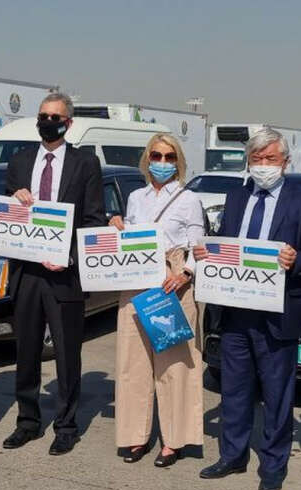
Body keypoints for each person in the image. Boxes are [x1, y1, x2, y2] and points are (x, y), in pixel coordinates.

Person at [194, 128, 301, 490]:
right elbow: (227, 244)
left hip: (279, 312)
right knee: (234, 390)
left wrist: (296, 259)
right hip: (237, 310)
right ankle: (232, 456)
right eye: (257, 159)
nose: (263, 165)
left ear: (285, 162)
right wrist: (207, 252)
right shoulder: (237, 196)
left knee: (277, 394)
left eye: (271, 159)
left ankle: (273, 464)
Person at [1, 93, 105, 456]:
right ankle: (27, 422)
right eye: (43, 115)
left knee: (66, 354)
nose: (48, 122)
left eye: (55, 117)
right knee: (27, 351)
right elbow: (5, 215)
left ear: (68, 123)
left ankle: (66, 426)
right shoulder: (19, 161)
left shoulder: (86, 163)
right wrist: (14, 199)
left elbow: (93, 218)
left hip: (65, 275)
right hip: (27, 273)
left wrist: (70, 257)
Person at [109, 134, 206, 467]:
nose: (162, 162)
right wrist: (117, 225)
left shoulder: (189, 199)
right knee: (133, 363)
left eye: (169, 156)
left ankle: (174, 441)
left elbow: (198, 245)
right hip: (136, 281)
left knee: (175, 365)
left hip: (172, 281)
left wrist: (185, 274)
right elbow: (130, 238)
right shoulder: (136, 197)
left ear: (178, 161)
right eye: (156, 155)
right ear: (147, 159)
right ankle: (135, 435)